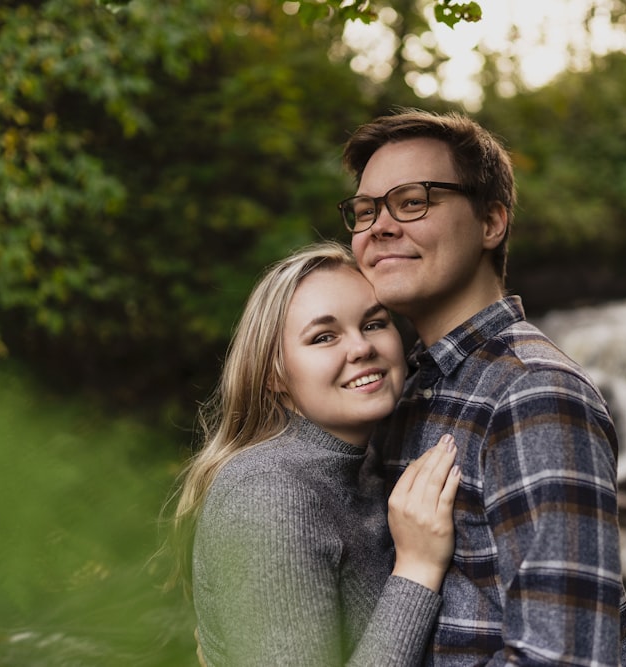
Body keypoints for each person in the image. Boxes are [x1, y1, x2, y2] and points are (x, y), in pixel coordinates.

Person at [339, 109, 626, 666]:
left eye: (412, 201)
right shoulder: (399, 391)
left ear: (491, 223)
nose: (378, 226)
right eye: (364, 211)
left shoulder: (534, 395)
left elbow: (564, 658)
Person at [170, 240, 462, 666]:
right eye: (324, 337)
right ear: (274, 374)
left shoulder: (362, 465)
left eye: (374, 323)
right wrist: (416, 570)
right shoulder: (269, 494)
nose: (361, 348)